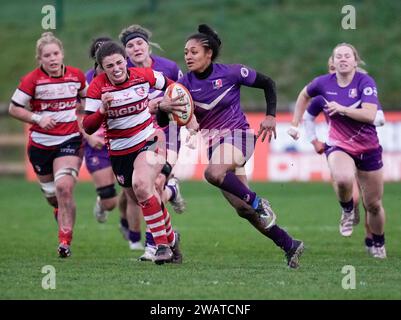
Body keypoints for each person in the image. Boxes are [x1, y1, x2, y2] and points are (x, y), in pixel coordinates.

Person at [175, 24, 304, 268]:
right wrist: (177, 115)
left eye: (193, 52)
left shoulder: (232, 73)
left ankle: (259, 202)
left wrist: (270, 115)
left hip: (239, 137)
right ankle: (289, 244)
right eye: (185, 53)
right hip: (215, 146)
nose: (188, 57)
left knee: (213, 173)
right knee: (243, 209)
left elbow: (268, 83)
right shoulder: (184, 85)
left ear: (208, 53)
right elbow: (174, 114)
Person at [83, 41, 185, 264]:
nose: (116, 68)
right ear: (101, 67)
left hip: (150, 139)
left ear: (125, 61)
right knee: (144, 196)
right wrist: (102, 110)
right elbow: (88, 125)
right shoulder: (97, 88)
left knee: (142, 185)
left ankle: (160, 247)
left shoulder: (144, 75)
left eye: (119, 62)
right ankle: (171, 239)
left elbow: (174, 87)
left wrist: (179, 109)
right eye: (109, 66)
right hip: (120, 152)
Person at [288, 43, 387, 258]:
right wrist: (295, 124)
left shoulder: (365, 82)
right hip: (339, 145)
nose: (342, 59)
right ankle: (348, 210)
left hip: (368, 148)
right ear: (332, 61)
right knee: (342, 179)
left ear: (354, 61)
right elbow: (304, 97)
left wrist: (342, 109)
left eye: (347, 56)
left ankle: (377, 242)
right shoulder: (322, 83)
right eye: (338, 56)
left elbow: (371, 115)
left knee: (373, 204)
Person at [9, 32, 87, 258]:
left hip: (69, 140)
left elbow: (88, 99)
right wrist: (37, 118)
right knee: (53, 196)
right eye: (47, 55)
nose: (52, 58)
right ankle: (58, 209)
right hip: (40, 146)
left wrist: (91, 124)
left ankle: (65, 241)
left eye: (55, 53)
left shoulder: (76, 76)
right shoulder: (31, 80)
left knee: (64, 188)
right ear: (40, 59)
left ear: (62, 54)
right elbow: (15, 108)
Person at [119, 24, 188, 260]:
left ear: (148, 45)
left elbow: (183, 95)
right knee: (145, 189)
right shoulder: (123, 73)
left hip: (167, 136)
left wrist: (189, 121)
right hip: (138, 139)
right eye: (130, 46)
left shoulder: (168, 67)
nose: (136, 48)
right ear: (125, 52)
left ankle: (153, 245)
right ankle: (172, 193)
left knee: (154, 184)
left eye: (139, 43)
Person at [82, 36, 144, 250]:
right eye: (106, 62)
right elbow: (76, 114)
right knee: (111, 201)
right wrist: (89, 136)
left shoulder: (127, 75)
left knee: (133, 191)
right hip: (97, 144)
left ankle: (133, 236)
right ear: (98, 61)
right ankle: (103, 203)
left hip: (123, 141)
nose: (114, 66)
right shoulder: (87, 81)